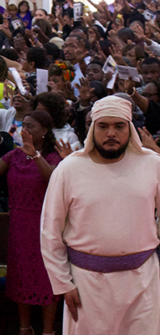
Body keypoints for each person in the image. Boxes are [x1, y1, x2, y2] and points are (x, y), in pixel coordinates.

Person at [41, 95, 160, 335]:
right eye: (103, 126)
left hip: (143, 282)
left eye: (119, 126)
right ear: (93, 128)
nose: (111, 133)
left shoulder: (152, 164)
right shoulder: (69, 170)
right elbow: (50, 232)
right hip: (86, 285)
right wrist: (63, 283)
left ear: (130, 128)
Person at [0, 110, 62, 335]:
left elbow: (53, 178)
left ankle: (48, 330)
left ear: (44, 131)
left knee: (46, 278)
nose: (25, 130)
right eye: (23, 125)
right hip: (19, 224)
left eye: (31, 126)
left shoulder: (54, 156)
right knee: (21, 275)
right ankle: (25, 327)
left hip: (44, 225)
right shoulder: (14, 156)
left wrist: (35, 155)